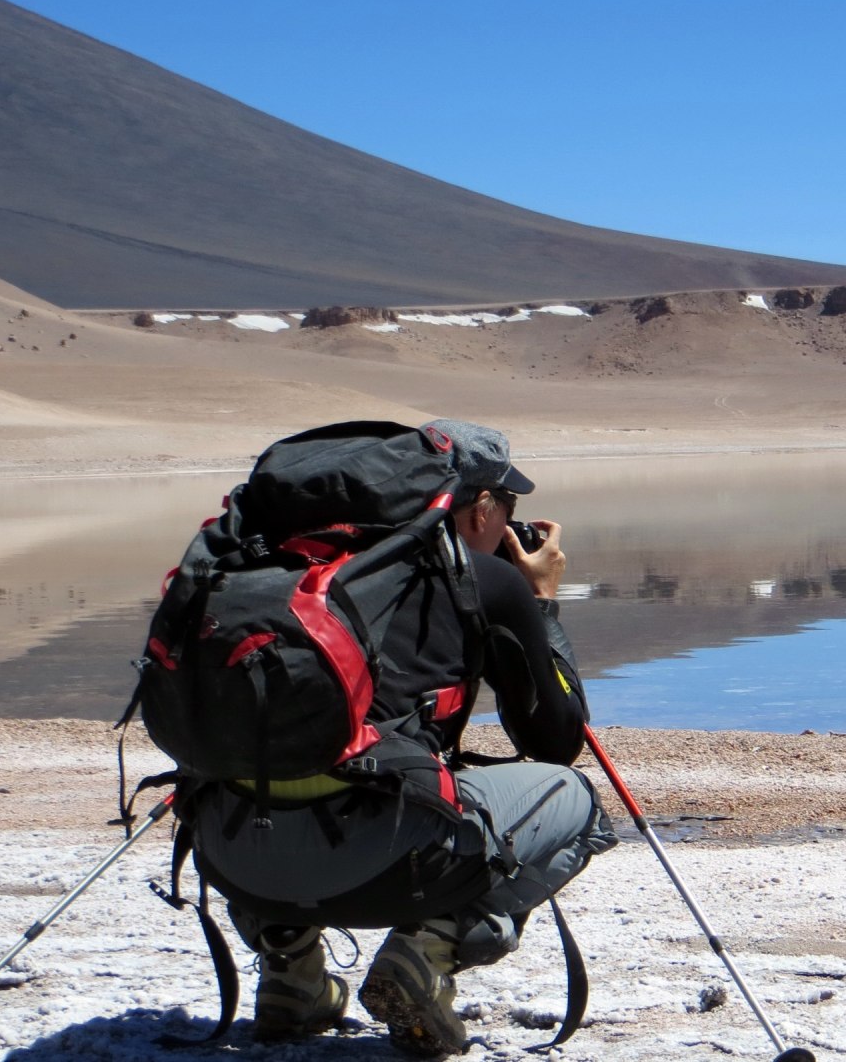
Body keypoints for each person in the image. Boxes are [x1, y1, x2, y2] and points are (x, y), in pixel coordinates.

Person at [189, 419, 616, 1056]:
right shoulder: (480, 581)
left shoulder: (262, 574)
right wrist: (538, 600)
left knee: (282, 763)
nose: (512, 525)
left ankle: (292, 975)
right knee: (575, 802)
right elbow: (555, 739)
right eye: (508, 507)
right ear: (478, 509)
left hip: (235, 860)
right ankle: (425, 951)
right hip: (381, 861)